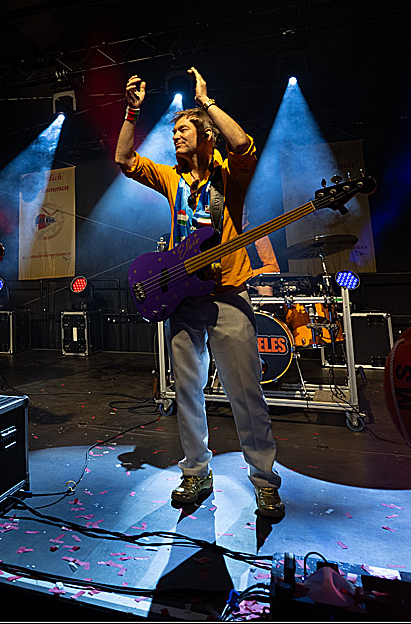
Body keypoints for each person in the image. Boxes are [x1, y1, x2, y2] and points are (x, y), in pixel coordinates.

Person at [114, 67, 284, 517]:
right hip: (182, 299)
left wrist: (206, 103)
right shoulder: (171, 179)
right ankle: (196, 472)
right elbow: (124, 160)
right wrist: (133, 110)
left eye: (183, 130)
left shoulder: (230, 176)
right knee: (185, 391)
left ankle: (265, 480)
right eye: (173, 132)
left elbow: (244, 142)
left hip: (228, 295)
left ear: (206, 136)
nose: (175, 138)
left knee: (246, 393)